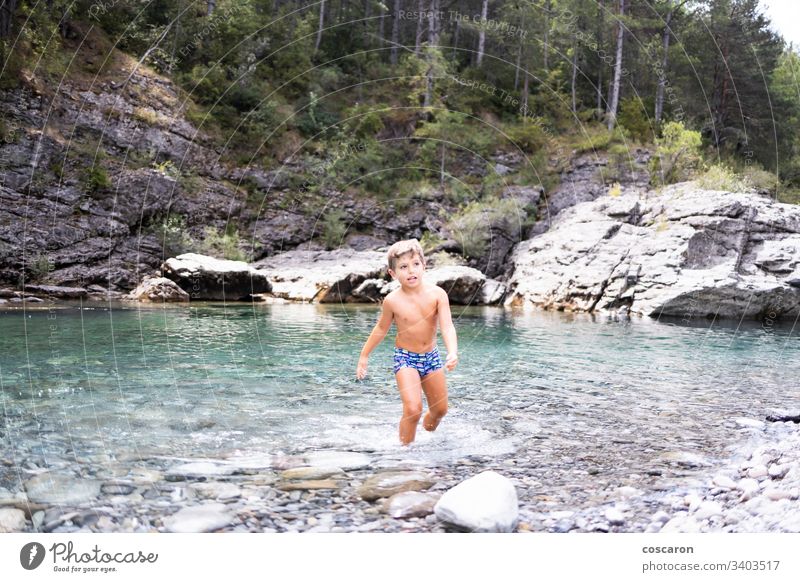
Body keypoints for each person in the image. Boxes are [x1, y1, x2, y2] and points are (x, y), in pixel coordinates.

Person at [356, 239, 458, 445]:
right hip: (406, 358)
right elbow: (381, 329)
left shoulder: (438, 295)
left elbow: (447, 326)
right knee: (413, 409)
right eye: (403, 267)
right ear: (393, 274)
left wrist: (452, 351)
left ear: (424, 265)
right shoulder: (392, 301)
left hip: (431, 357)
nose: (411, 271)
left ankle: (427, 435)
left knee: (440, 410)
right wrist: (364, 356)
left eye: (415, 264)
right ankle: (405, 454)